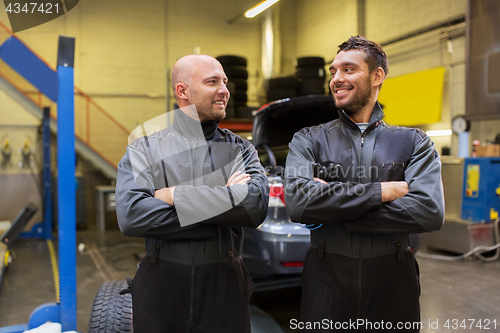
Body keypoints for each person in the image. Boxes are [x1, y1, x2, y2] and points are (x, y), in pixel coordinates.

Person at [284, 36, 444, 332]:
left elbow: (428, 212)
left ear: (377, 76)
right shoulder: (308, 139)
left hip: (393, 282)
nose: (336, 79)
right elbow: (298, 203)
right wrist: (382, 192)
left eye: (348, 70)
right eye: (333, 72)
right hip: (326, 282)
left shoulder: (413, 142)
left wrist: (335, 209)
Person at [115, 54, 269, 333]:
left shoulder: (242, 150)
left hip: (225, 290)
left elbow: (255, 205)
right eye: (212, 82)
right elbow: (132, 216)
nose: (225, 90)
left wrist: (174, 195)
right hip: (162, 289)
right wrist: (222, 202)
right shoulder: (145, 149)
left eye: (225, 81)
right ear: (182, 91)